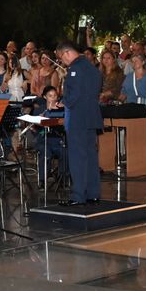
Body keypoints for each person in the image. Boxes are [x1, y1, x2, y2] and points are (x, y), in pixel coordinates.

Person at [54, 42, 103, 206]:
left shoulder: (75, 69)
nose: (62, 62)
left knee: (77, 157)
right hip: (91, 117)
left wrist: (62, 102)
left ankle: (78, 195)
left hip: (77, 118)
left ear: (67, 53)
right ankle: (93, 192)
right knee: (90, 156)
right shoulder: (92, 67)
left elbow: (74, 94)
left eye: (61, 58)